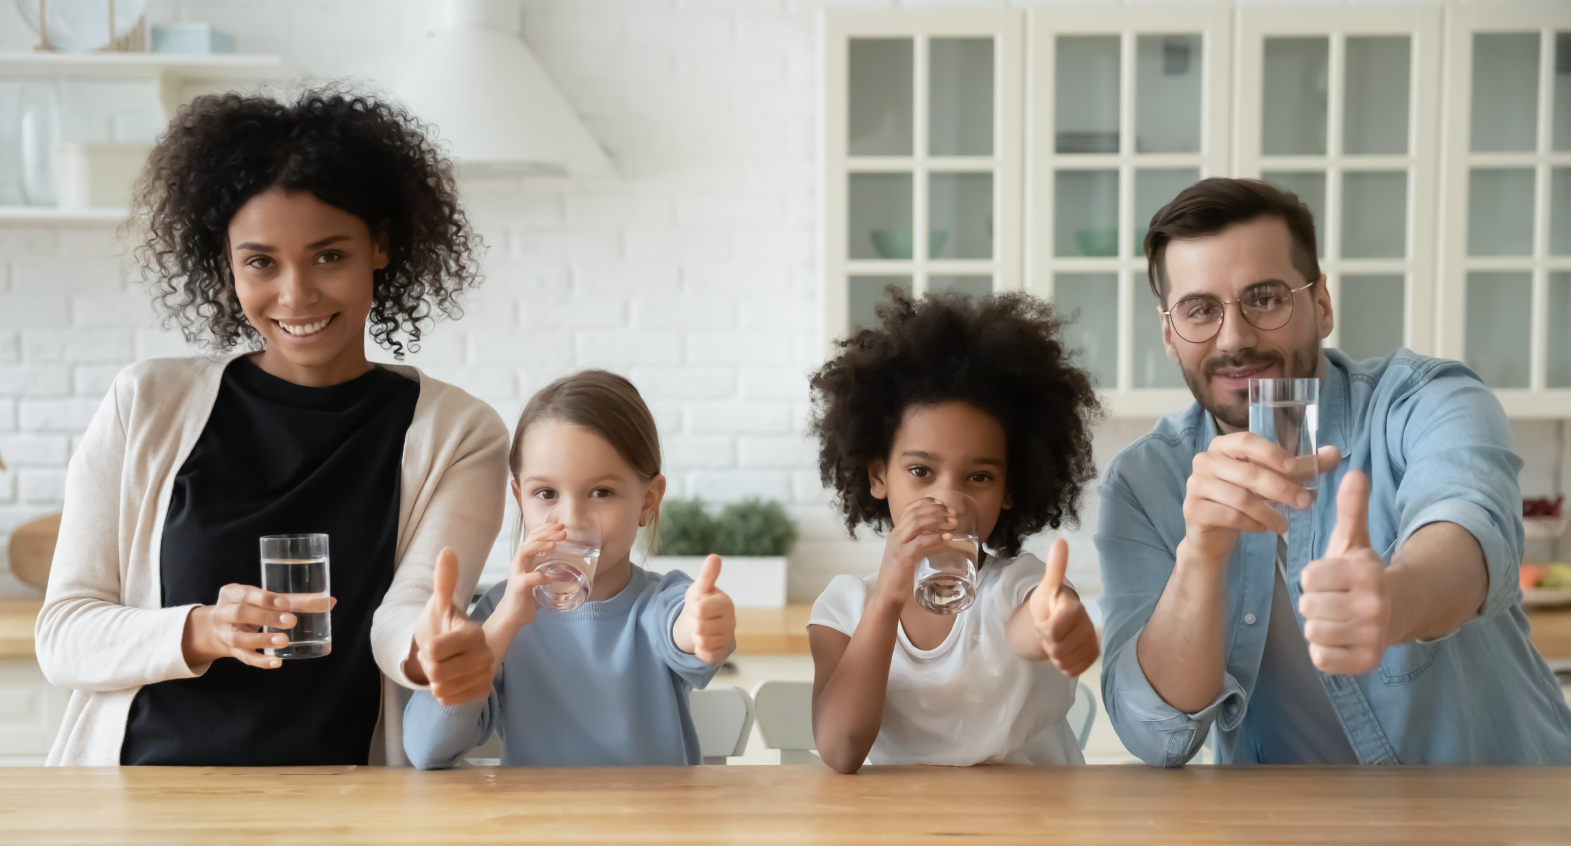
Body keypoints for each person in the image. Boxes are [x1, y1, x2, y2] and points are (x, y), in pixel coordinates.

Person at [34, 88, 506, 766]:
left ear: (379, 244)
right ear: (226, 261)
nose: (295, 295)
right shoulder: (146, 403)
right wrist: (202, 630)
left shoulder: (458, 433)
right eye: (261, 262)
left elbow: (405, 618)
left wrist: (431, 652)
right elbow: (64, 634)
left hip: (342, 805)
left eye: (328, 256)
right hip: (140, 801)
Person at [1097, 177, 1571, 766]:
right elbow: (1154, 735)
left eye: (1265, 298)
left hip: (1497, 812)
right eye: (1199, 311)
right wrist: (1200, 554)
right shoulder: (1142, 484)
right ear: (1170, 335)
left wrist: (1393, 599)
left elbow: (1474, 529)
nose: (1236, 338)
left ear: (1321, 303)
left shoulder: (1424, 400)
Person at [805, 289, 1104, 773]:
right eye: (922, 471)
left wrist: (1056, 621)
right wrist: (886, 596)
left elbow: (1032, 626)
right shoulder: (842, 609)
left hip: (1035, 823)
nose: (947, 498)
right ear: (879, 475)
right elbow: (841, 750)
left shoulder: (1019, 586)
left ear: (1010, 488)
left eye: (979, 477)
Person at [403, 370, 737, 768]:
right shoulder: (499, 615)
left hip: (654, 827)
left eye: (601, 493)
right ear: (520, 499)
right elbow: (426, 749)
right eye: (546, 493)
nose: (572, 517)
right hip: (543, 828)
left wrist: (702, 624)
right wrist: (502, 626)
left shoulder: (662, 604)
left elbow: (684, 633)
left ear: (648, 501)